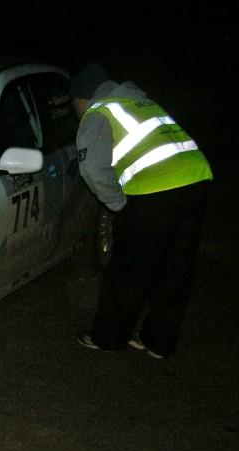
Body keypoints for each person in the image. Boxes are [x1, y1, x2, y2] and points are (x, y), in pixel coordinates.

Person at [70, 63, 213, 359]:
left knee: (128, 269)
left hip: (156, 192)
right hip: (196, 180)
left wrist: (118, 205)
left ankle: (108, 337)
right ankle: (159, 341)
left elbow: (93, 170)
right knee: (176, 267)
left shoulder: (98, 114)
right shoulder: (139, 101)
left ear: (82, 98)